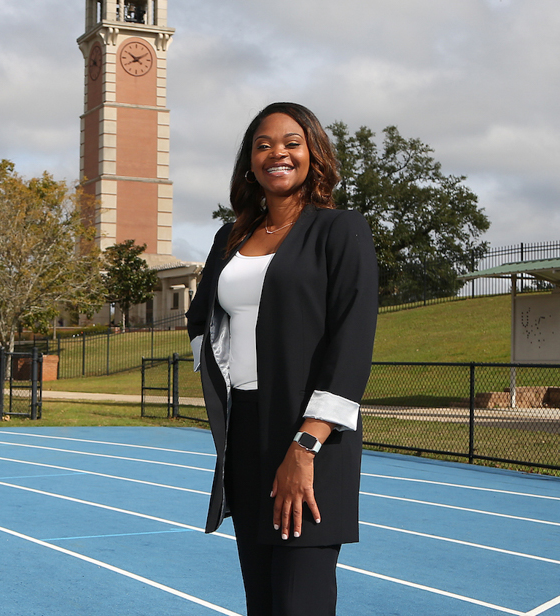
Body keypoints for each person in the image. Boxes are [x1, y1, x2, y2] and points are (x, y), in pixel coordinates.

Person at [185, 102, 377, 615]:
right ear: (250, 162)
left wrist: (306, 442)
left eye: (292, 142)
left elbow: (352, 343)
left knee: (299, 602)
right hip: (247, 436)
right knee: (264, 604)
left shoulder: (340, 230)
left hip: (311, 438)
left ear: (314, 152)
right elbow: (200, 319)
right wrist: (224, 388)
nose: (278, 153)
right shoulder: (230, 238)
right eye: (263, 144)